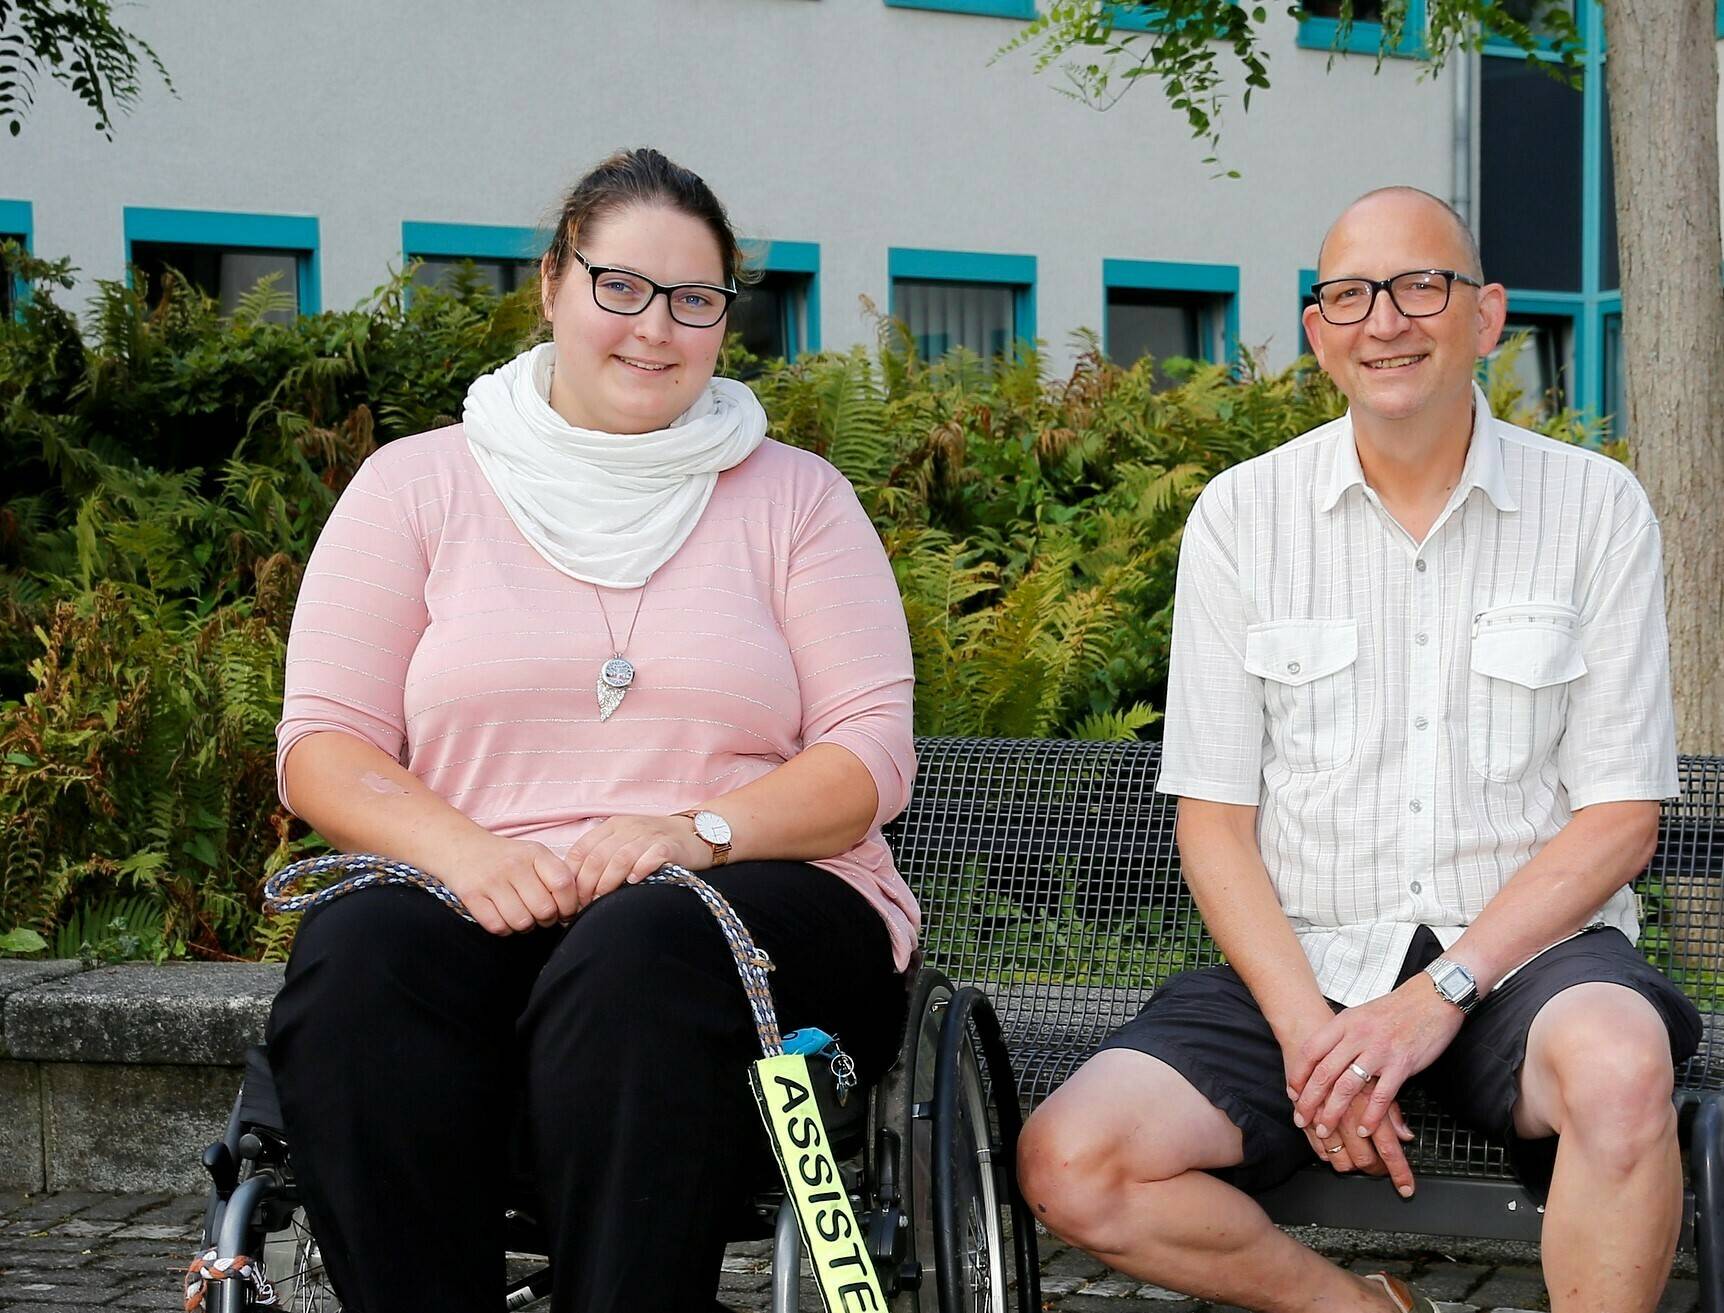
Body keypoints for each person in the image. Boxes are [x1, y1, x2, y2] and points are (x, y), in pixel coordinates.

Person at [1016, 186, 1701, 1313]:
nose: (1384, 319)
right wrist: (1310, 1035)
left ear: (1483, 316)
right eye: (1349, 293)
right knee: (1075, 1158)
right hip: (1307, 962)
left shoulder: (1594, 507)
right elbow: (1215, 821)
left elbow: (1618, 816)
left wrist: (1437, 990)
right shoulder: (1242, 517)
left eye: (1419, 285)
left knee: (1622, 1069)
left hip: (1530, 963)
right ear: (1316, 333)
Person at [264, 147, 918, 1313]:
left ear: (725, 320)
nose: (654, 328)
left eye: (694, 300)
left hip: (752, 891)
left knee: (639, 948)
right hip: (484, 887)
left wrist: (695, 829)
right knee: (358, 961)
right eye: (620, 286)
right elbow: (323, 742)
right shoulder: (415, 486)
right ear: (554, 287)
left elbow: (868, 754)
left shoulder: (798, 499)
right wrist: (468, 853)